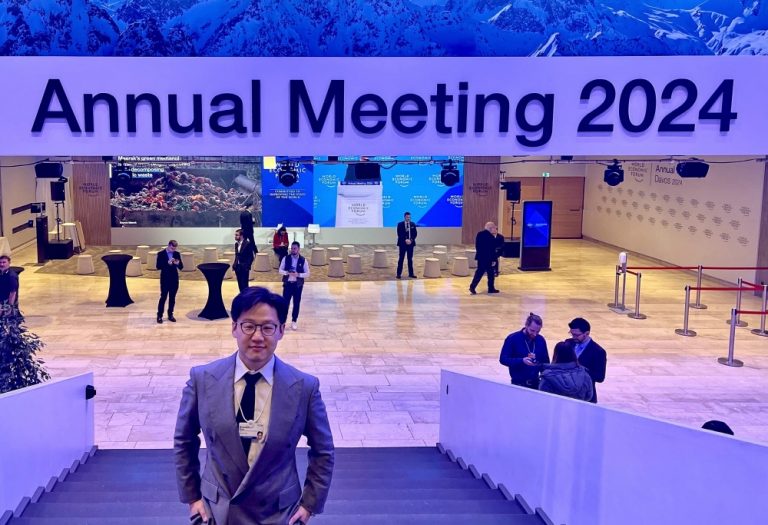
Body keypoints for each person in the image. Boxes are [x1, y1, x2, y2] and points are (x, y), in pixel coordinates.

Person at [174, 286, 334, 525]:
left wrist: (310, 504)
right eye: (248, 326)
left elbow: (323, 451)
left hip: (278, 513)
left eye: (268, 327)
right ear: (234, 328)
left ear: (281, 331)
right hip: (217, 511)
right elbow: (184, 441)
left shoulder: (304, 387)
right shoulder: (203, 379)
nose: (258, 337)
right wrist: (192, 497)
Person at [499, 313, 550, 388]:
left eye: (538, 331)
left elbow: (546, 362)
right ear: (526, 325)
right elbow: (503, 359)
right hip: (518, 384)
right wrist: (522, 361)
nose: (535, 334)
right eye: (532, 330)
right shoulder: (513, 338)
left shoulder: (541, 340)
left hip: (536, 384)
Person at [568, 318, 607, 403]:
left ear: (587, 333)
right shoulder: (568, 343)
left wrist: (580, 371)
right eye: (572, 334)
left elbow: (600, 377)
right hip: (567, 393)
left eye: (577, 335)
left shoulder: (598, 352)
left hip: (586, 396)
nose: (573, 337)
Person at [279, 241, 309, 331]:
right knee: (285, 304)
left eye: (294, 248)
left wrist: (298, 275)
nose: (292, 250)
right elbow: (280, 270)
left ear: (299, 249)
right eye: (291, 248)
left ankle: (294, 321)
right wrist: (287, 272)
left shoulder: (303, 260)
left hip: (297, 286)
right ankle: (283, 322)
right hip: (288, 284)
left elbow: (307, 273)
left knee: (296, 303)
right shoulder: (286, 258)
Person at [156, 240, 183, 323]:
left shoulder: (177, 254)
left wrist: (177, 263)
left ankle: (170, 314)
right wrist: (167, 263)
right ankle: (159, 315)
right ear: (168, 245)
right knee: (163, 297)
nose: (173, 250)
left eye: (174, 249)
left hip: (174, 279)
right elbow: (158, 266)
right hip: (165, 279)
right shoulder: (161, 254)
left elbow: (181, 267)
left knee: (172, 298)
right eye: (172, 248)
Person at [469, 222, 500, 294]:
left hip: (481, 257)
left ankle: (472, 287)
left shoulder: (479, 234)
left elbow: (477, 246)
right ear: (490, 228)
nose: (495, 229)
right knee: (491, 274)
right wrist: (494, 259)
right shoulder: (491, 237)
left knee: (479, 272)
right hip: (489, 258)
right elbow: (492, 249)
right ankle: (491, 288)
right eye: (494, 228)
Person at [396, 211, 418, 279]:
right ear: (404, 217)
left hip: (410, 244)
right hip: (402, 244)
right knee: (401, 259)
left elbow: (415, 234)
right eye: (407, 217)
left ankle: (411, 274)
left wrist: (411, 240)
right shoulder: (400, 224)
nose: (408, 218)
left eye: (409, 217)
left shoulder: (413, 224)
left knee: (410, 259)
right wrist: (405, 240)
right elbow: (399, 234)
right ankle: (398, 274)